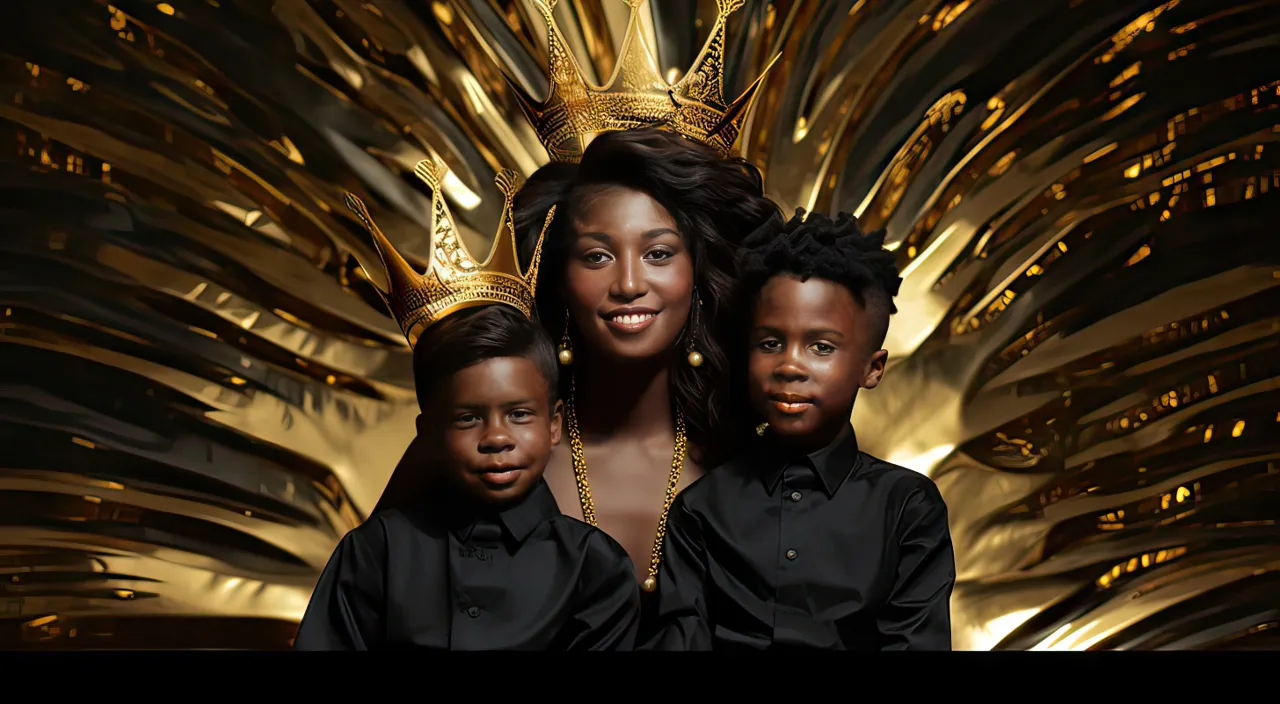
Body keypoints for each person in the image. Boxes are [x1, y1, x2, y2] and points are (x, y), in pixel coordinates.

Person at [293, 165, 640, 650]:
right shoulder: (376, 553)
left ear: (555, 423)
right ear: (428, 431)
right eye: (468, 417)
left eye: (519, 414)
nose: (496, 437)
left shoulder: (593, 568)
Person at [644, 208, 956, 651]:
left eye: (821, 347)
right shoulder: (701, 511)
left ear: (872, 368)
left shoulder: (906, 507)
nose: (790, 365)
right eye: (770, 343)